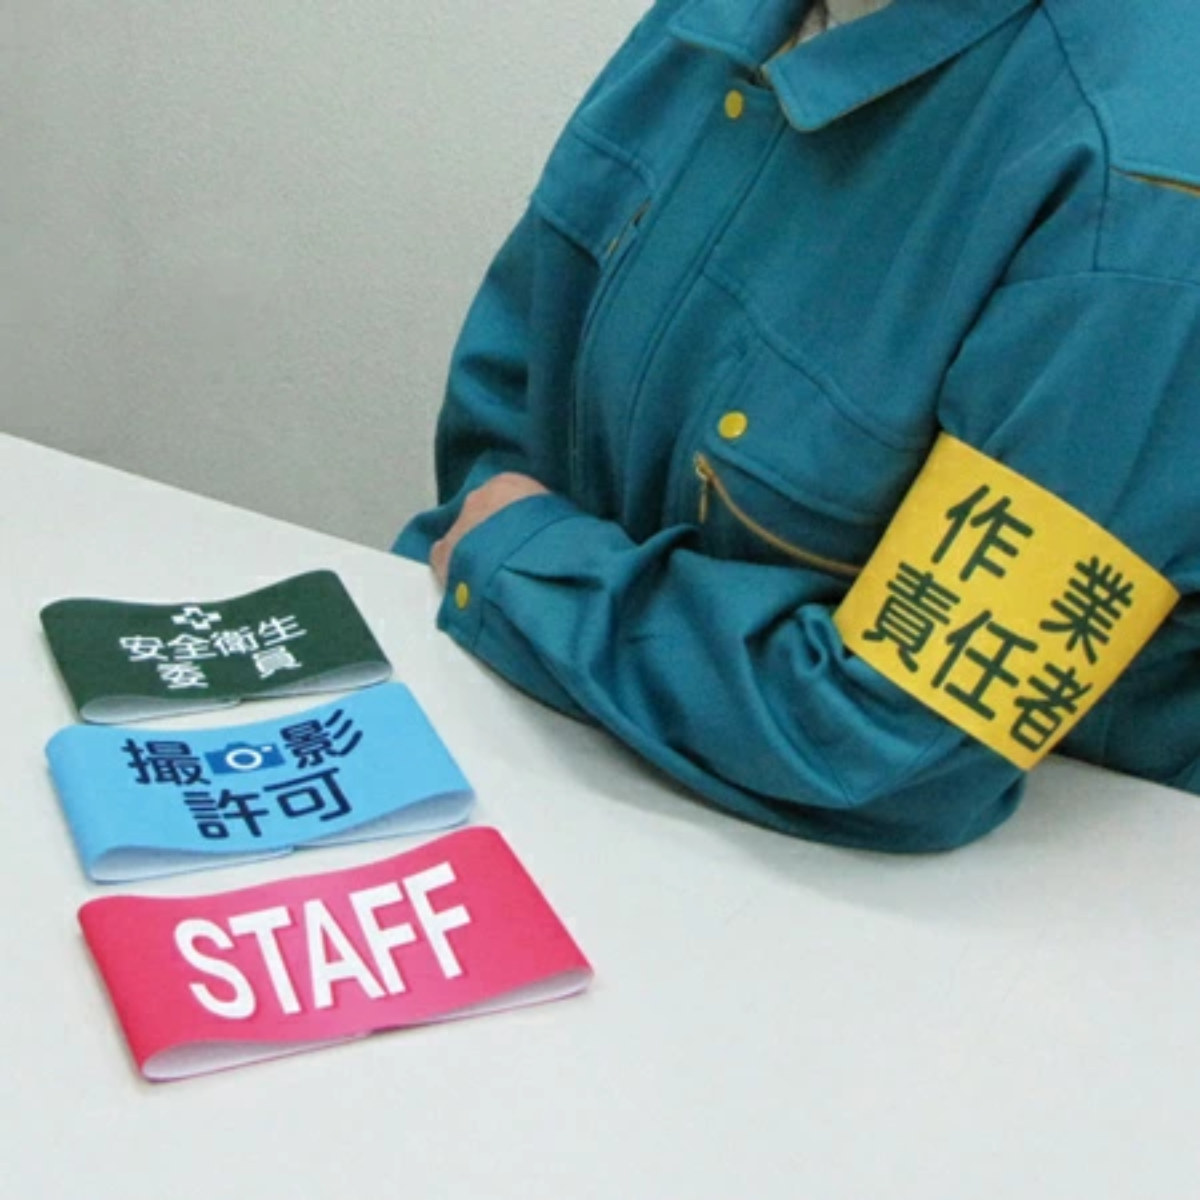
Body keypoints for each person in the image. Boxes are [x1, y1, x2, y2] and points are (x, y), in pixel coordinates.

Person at [396, 0, 1200, 852]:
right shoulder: (738, 20)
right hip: (568, 753)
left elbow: (899, 744)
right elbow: (508, 416)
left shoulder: (1144, 194)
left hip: (949, 891)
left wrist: (527, 569)